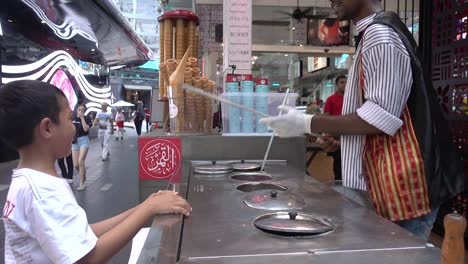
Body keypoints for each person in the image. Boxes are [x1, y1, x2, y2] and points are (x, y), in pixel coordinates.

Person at [260, 0, 463, 240]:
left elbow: (379, 118)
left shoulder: (381, 36)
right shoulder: (371, 34)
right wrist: (342, 141)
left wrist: (306, 123)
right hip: (388, 188)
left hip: (405, 190)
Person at [0, 80, 191, 263]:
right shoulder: (44, 192)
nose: (74, 127)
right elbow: (89, 257)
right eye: (69, 118)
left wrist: (146, 206)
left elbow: (83, 234)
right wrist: (148, 209)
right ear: (47, 128)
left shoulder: (28, 181)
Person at [322, 75, 347, 181]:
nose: (345, 84)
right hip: (336, 137)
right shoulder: (331, 99)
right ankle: (338, 184)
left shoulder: (352, 99)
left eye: (346, 82)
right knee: (338, 162)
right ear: (337, 85)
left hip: (350, 135)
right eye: (342, 82)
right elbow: (326, 117)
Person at [72, 104, 93, 190]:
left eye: (82, 110)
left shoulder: (86, 118)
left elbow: (85, 129)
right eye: (79, 110)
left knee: (81, 161)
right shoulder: (72, 119)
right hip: (74, 141)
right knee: (76, 165)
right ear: (76, 110)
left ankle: (82, 183)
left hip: (84, 140)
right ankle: (83, 173)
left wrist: (82, 118)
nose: (81, 111)